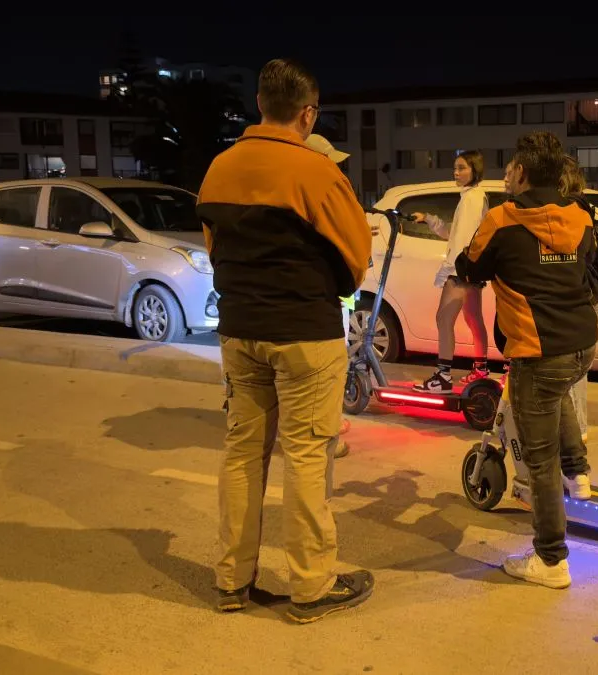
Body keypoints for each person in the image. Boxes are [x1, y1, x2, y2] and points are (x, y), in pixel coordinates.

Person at [196, 58, 375, 623]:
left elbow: (214, 249)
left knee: (242, 453)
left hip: (239, 333)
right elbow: (357, 257)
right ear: (307, 113)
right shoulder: (316, 172)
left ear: (259, 105)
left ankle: (232, 581)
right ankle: (310, 589)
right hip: (304, 335)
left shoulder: (219, 168)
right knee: (305, 456)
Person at [456, 132, 598, 589]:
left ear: (519, 172)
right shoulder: (580, 217)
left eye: (510, 168)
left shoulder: (502, 219)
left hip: (538, 350)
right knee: (558, 404)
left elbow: (470, 267)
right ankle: (581, 478)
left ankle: (551, 561)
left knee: (539, 461)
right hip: (580, 346)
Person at [412, 151, 490, 392]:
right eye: (455, 168)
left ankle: (443, 377)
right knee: (473, 319)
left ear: (474, 169)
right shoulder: (476, 196)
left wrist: (452, 272)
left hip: (461, 270)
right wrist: (429, 219)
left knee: (443, 319)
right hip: (472, 269)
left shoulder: (470, 200)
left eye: (461, 168)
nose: (456, 173)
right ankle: (480, 370)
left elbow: (461, 240)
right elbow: (455, 233)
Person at [305, 132, 356, 459]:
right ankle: (327, 435)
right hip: (320, 304)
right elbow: (348, 245)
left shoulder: (289, 191)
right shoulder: (323, 195)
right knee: (324, 374)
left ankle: (323, 428)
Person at [560, 156, 598, 445]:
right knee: (576, 367)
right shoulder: (583, 203)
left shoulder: (573, 208)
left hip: (584, 295)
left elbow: (576, 255)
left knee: (574, 367)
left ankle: (577, 430)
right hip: (592, 293)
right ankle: (576, 429)